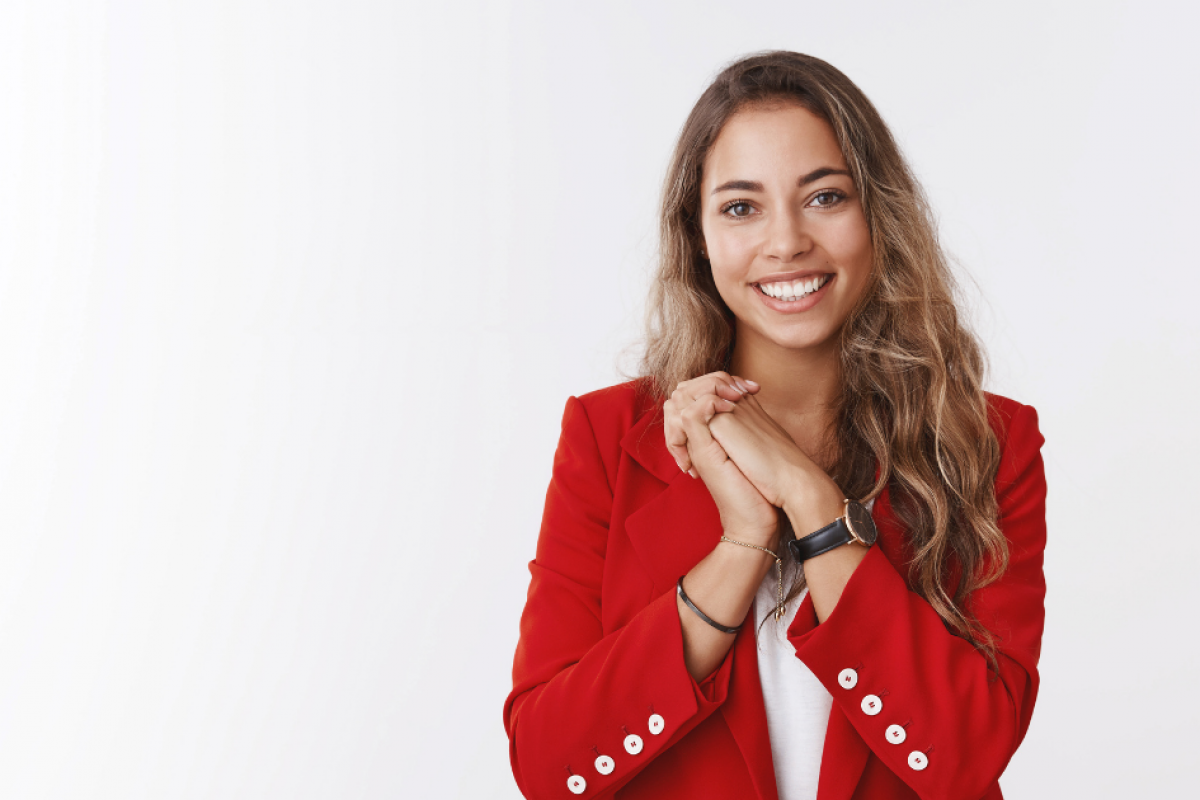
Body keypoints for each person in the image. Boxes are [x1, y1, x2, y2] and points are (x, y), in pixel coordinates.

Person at [502, 50, 1047, 800]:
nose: (786, 241)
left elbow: (966, 753)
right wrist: (743, 542)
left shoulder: (988, 443)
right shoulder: (607, 438)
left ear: (878, 214)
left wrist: (810, 499)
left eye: (825, 197)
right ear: (697, 235)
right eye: (740, 206)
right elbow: (547, 761)